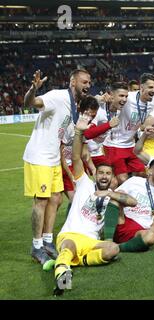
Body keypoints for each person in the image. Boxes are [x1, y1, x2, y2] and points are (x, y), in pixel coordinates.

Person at [53, 112, 137, 295]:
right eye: (101, 173)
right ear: (95, 175)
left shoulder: (112, 195)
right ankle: (63, 277)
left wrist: (109, 193)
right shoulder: (84, 183)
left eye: (108, 174)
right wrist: (78, 132)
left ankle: (78, 261)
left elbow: (132, 201)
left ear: (113, 177)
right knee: (68, 248)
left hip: (92, 241)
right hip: (72, 235)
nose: (104, 176)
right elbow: (76, 158)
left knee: (113, 249)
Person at [23, 69, 91, 265]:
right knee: (42, 201)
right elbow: (31, 103)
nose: (87, 85)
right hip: (39, 156)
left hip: (53, 158)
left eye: (89, 82)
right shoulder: (57, 96)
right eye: (83, 81)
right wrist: (33, 90)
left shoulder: (75, 107)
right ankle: (36, 247)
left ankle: (47, 241)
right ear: (72, 82)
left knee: (56, 200)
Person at [103, 73, 154, 184]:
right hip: (115, 145)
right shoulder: (128, 97)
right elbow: (108, 98)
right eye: (150, 87)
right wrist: (102, 98)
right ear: (142, 87)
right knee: (122, 179)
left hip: (131, 146)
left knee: (145, 174)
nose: (153, 90)